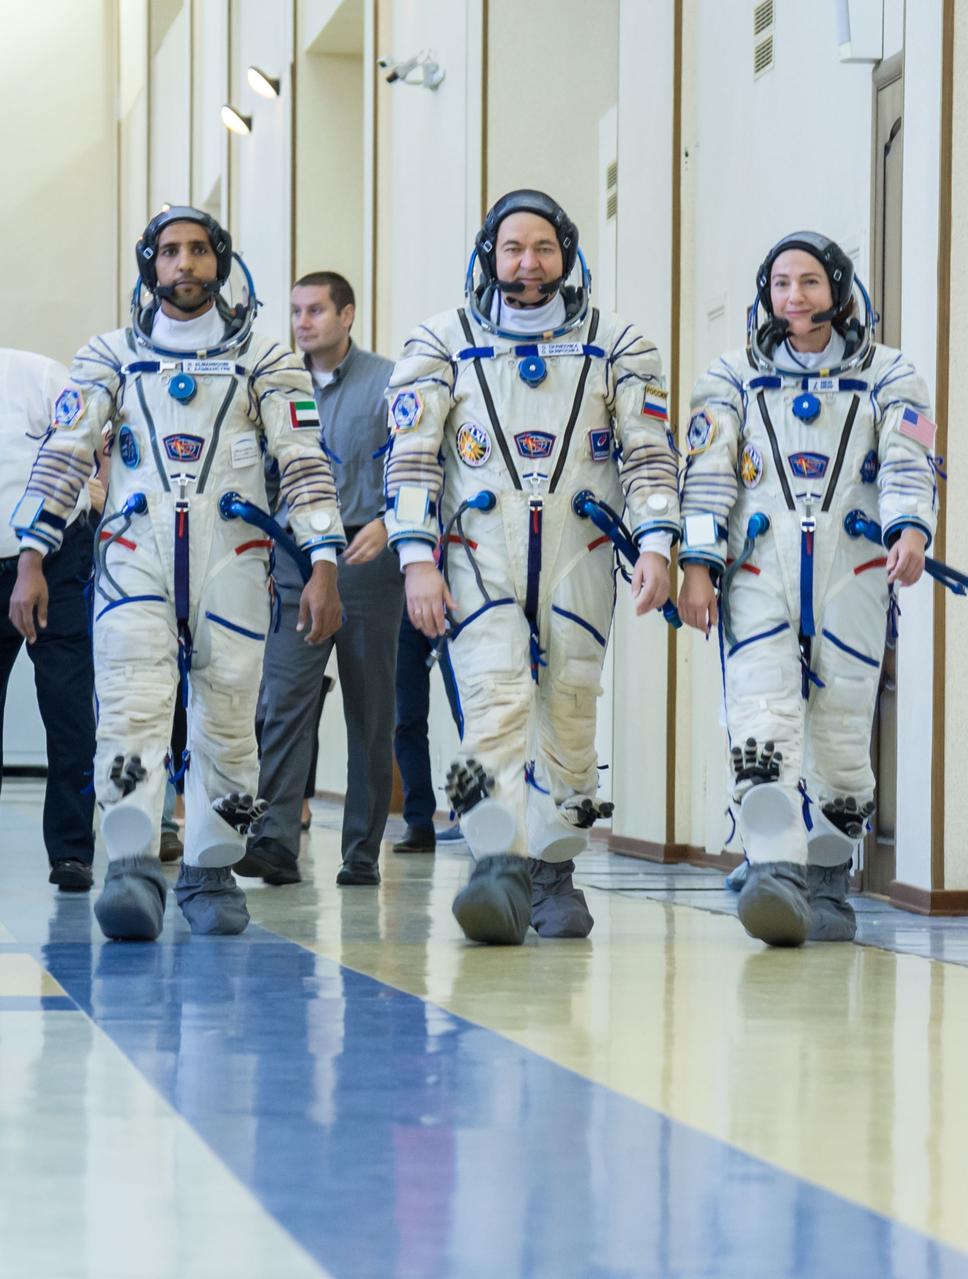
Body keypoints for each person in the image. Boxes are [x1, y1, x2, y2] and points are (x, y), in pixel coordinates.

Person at [9, 207, 344, 940]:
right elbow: (65, 455)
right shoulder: (109, 356)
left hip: (234, 560)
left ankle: (211, 869)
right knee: (131, 707)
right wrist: (31, 554)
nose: (183, 265)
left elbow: (304, 463)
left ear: (220, 262)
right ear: (149, 264)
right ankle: (130, 867)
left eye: (197, 251)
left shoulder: (266, 358)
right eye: (169, 252)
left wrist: (323, 562)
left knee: (229, 719)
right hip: (134, 559)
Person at [384, 189, 679, 944]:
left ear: (568, 253)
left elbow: (648, 458)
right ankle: (497, 862)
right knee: (493, 701)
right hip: (479, 552)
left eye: (544, 247)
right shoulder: (441, 341)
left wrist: (656, 543)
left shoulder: (618, 344)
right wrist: (417, 561)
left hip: (578, 554)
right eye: (513, 247)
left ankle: (555, 867)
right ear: (489, 254)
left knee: (572, 709)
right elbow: (411, 462)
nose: (528, 262)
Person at [677, 231, 936, 947]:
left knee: (843, 732)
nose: (795, 297)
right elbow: (707, 477)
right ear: (767, 292)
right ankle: (772, 873)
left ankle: (826, 880)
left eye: (811, 283)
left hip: (852, 573)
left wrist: (909, 528)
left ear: (839, 290)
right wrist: (697, 565)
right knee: (759, 722)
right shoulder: (731, 376)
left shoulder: (890, 374)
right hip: (760, 570)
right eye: (782, 283)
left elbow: (910, 463)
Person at [236, 272, 402, 887]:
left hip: (366, 562)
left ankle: (360, 854)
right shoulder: (276, 388)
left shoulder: (390, 383)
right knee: (283, 703)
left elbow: (421, 467)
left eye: (316, 310)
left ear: (348, 314)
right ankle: (275, 840)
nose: (303, 322)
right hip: (291, 564)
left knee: (370, 711)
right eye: (296, 311)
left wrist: (389, 526)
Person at [1, 347, 98, 891]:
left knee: (66, 710)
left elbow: (76, 455)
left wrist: (31, 562)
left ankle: (71, 851)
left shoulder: (36, 374)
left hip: (52, 564)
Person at [391, 606, 464, 853]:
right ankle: (418, 823)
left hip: (448, 598)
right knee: (406, 719)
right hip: (403, 600)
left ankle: (479, 816)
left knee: (466, 713)